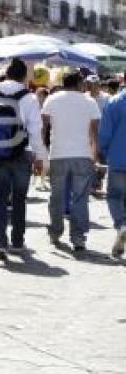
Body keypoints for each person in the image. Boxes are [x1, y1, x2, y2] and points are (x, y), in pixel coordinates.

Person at [0, 58, 46, 261]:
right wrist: (40, 157)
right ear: (24, 76)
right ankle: (17, 242)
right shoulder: (30, 98)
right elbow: (35, 130)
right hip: (22, 154)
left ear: (7, 74)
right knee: (19, 198)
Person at [41, 70, 101, 252]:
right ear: (78, 84)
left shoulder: (52, 99)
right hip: (82, 154)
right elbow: (94, 132)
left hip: (58, 153)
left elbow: (43, 127)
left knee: (56, 196)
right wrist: (94, 156)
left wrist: (43, 152)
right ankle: (78, 238)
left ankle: (55, 232)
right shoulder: (89, 101)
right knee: (80, 197)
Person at [98, 83, 126, 258]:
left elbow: (105, 133)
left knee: (115, 197)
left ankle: (121, 225)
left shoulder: (115, 102)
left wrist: (105, 152)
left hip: (118, 159)